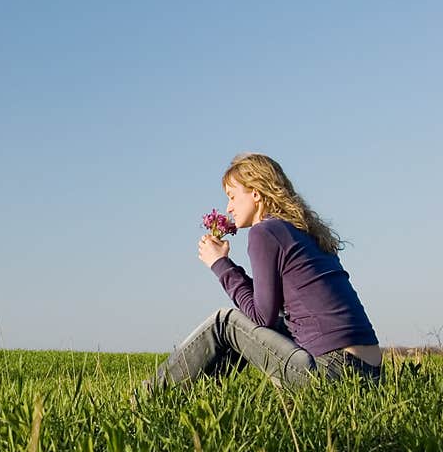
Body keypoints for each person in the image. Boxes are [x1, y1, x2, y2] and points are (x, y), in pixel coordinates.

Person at [143, 152, 382, 393]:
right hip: (368, 373)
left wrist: (220, 264)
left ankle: (146, 397)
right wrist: (227, 265)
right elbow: (266, 308)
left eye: (232, 196)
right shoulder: (300, 230)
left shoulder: (264, 232)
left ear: (255, 194)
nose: (229, 207)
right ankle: (204, 397)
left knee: (224, 322)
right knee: (262, 325)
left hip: (330, 371)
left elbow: (261, 317)